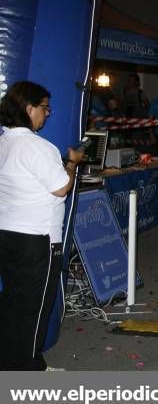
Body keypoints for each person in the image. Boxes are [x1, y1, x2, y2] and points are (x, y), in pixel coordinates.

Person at [0, 81, 84, 370]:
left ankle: (13, 362)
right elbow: (62, 187)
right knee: (35, 309)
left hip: (7, 233)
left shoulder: (4, 142)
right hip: (38, 239)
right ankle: (28, 370)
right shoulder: (38, 147)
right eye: (45, 108)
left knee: (12, 302)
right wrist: (72, 164)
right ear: (29, 108)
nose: (47, 114)